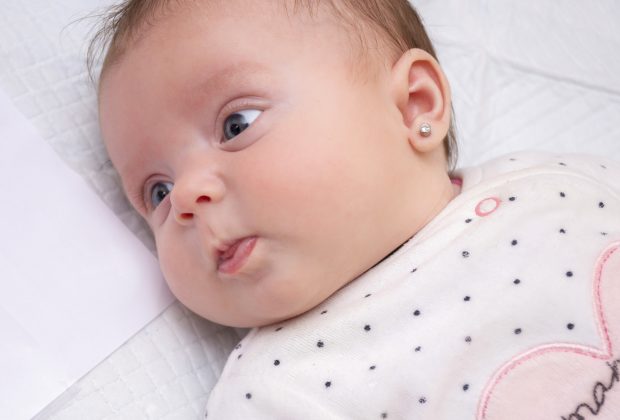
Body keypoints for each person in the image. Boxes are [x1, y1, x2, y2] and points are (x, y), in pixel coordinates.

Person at [92, 0, 620, 418]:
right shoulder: (274, 393)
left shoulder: (551, 184)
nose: (185, 198)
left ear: (412, 105)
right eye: (157, 192)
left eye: (237, 125)